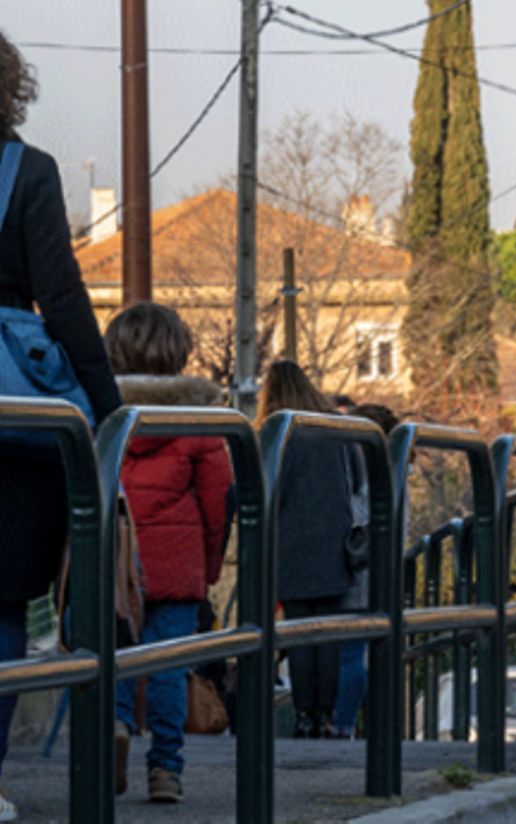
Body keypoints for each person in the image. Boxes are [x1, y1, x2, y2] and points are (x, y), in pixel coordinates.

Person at [0, 31, 122, 820]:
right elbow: (66, 302)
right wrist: (107, 411)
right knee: (8, 605)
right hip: (20, 421)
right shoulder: (28, 172)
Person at [104, 303, 231, 803]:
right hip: (177, 561)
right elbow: (220, 500)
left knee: (109, 655)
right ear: (179, 351)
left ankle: (113, 728)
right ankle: (165, 769)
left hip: (114, 560)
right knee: (169, 666)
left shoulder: (97, 411)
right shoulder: (198, 417)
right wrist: (211, 567)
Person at [259, 360, 361, 739]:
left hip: (289, 543)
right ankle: (327, 715)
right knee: (329, 633)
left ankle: (304, 715)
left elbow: (268, 490)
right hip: (333, 542)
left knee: (299, 632)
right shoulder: (334, 427)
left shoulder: (276, 432)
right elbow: (358, 480)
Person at [330, 403, 400, 740]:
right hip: (381, 568)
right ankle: (357, 725)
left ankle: (341, 724)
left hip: (360, 567)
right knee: (364, 651)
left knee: (350, 651)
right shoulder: (395, 470)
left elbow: (355, 516)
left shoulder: (367, 473)